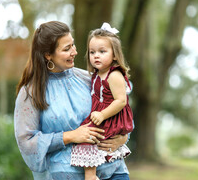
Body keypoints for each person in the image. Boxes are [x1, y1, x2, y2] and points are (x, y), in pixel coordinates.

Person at [14, 21, 131, 180]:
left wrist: (122, 138)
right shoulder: (30, 92)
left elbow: (121, 109)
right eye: (67, 49)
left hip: (114, 172)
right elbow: (27, 142)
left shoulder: (89, 79)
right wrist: (69, 136)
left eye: (73, 45)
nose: (75, 52)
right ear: (48, 55)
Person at [70, 23, 134, 180]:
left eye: (102, 51)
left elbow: (121, 101)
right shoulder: (96, 75)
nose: (96, 55)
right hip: (102, 114)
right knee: (88, 135)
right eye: (92, 52)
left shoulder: (114, 75)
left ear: (114, 55)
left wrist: (103, 114)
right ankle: (94, 172)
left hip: (111, 115)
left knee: (88, 136)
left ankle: (90, 176)